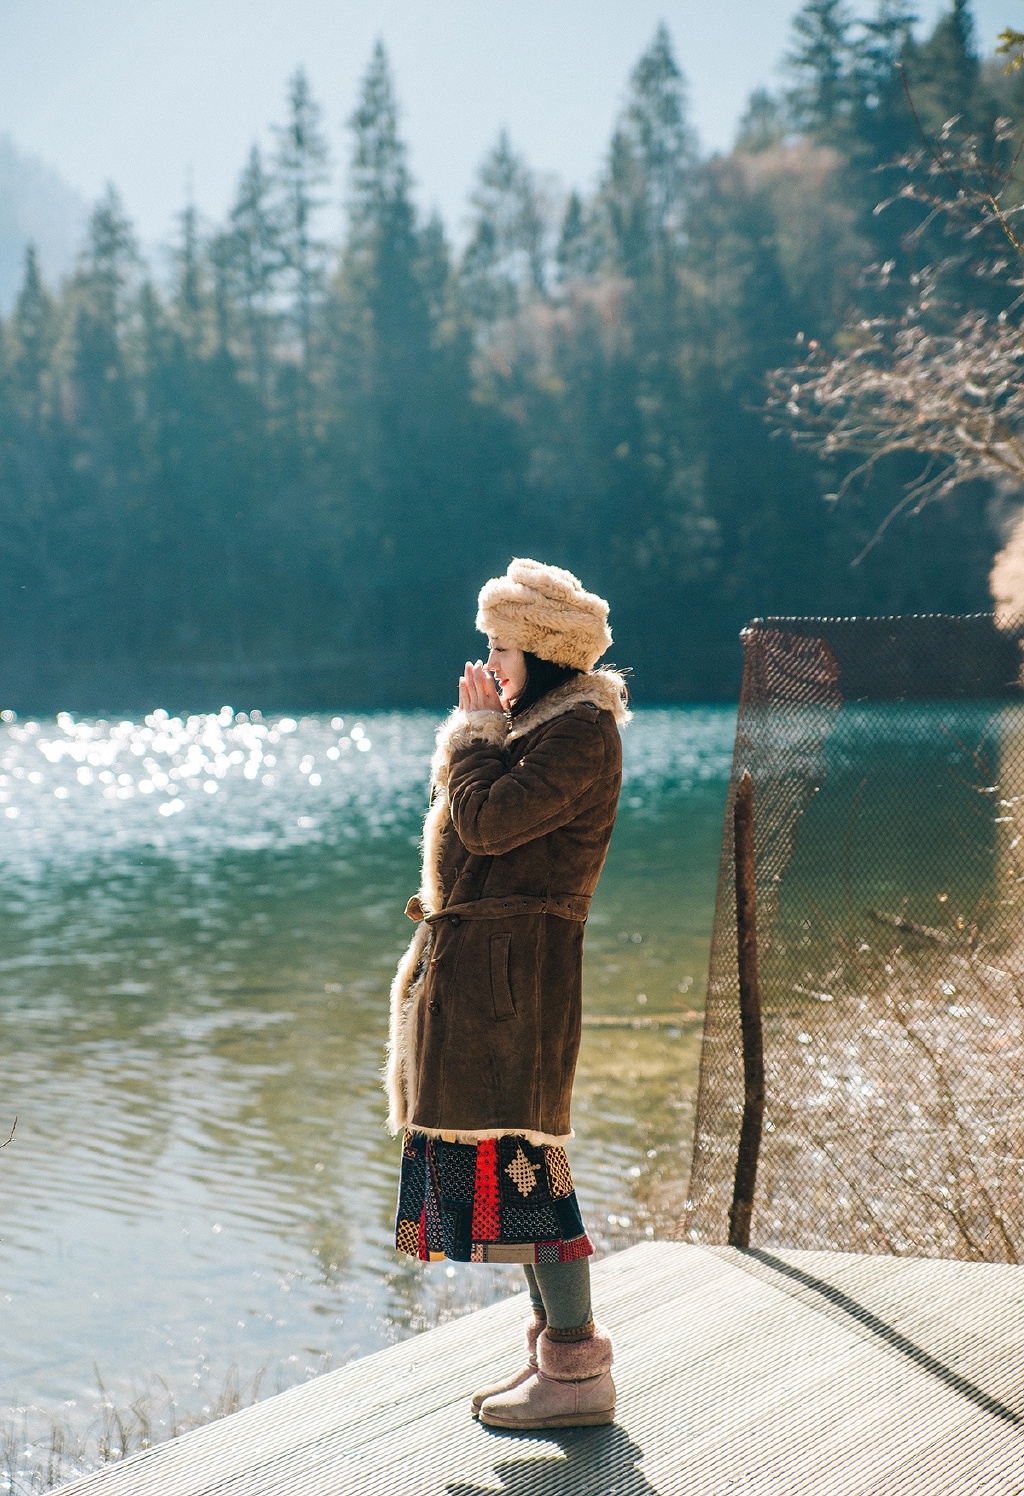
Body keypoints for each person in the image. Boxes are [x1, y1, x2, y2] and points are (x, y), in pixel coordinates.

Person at [385, 557, 630, 1430]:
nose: (489, 667)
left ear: (550, 656)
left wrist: (474, 736)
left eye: (503, 649)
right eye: (488, 646)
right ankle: (556, 1363)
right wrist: (486, 734)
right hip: (492, 974)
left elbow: (486, 824)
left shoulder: (579, 736)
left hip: (518, 981)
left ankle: (576, 1376)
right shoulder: (540, 728)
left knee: (529, 1165)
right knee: (506, 1162)